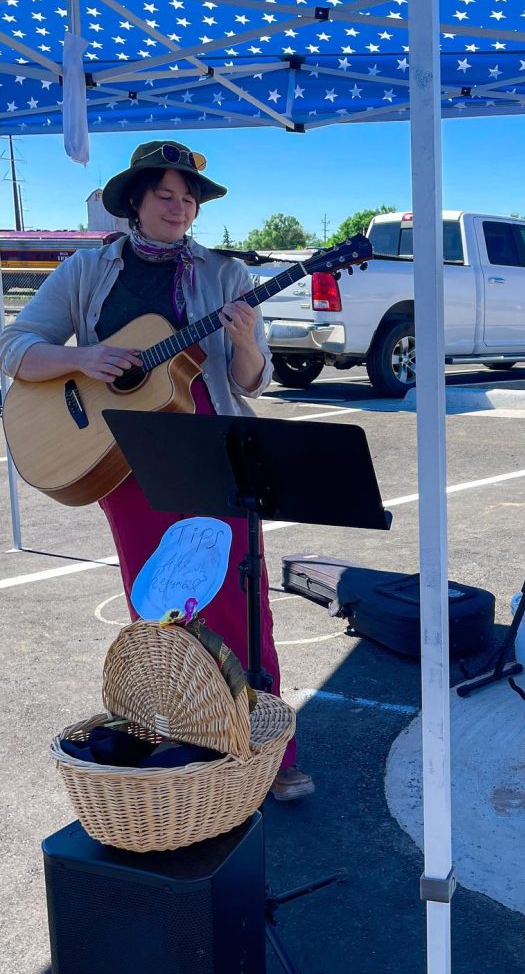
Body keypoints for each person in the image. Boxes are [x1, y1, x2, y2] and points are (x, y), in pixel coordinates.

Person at [0, 140, 313, 801]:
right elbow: (15, 346)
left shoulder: (225, 273)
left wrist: (247, 337)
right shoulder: (86, 270)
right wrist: (83, 361)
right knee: (160, 605)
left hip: (209, 447)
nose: (179, 207)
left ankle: (268, 752)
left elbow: (249, 380)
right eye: (165, 196)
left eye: (189, 198)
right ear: (134, 204)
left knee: (237, 600)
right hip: (122, 457)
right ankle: (190, 744)